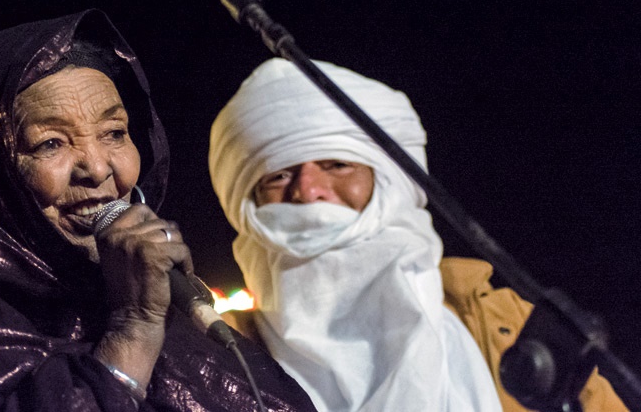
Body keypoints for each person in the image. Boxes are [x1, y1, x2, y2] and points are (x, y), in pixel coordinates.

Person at [0, 10, 317, 412]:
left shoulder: (167, 310)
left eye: (114, 133)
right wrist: (131, 333)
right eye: (51, 143)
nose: (96, 168)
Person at [208, 58, 627, 412]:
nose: (309, 190)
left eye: (337, 164)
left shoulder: (502, 322)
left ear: (386, 179)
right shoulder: (222, 356)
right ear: (250, 200)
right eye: (279, 175)